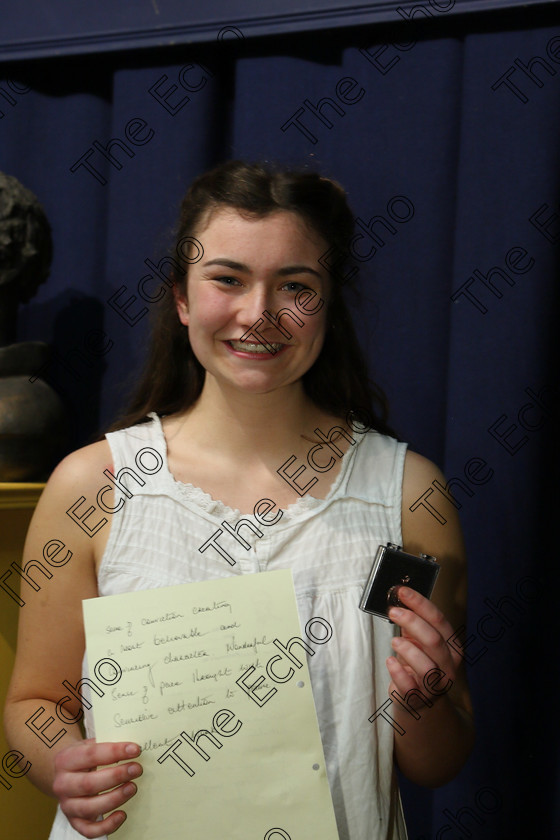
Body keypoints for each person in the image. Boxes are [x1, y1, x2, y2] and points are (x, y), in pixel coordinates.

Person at [4, 160, 475, 840]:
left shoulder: (406, 496)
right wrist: (63, 763)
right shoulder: (93, 486)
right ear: (183, 298)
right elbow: (35, 701)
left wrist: (420, 701)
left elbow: (439, 761)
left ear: (328, 301)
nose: (259, 314)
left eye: (295, 286)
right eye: (228, 279)